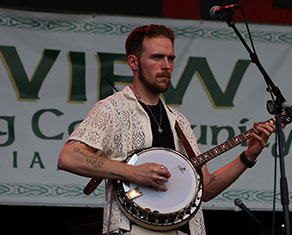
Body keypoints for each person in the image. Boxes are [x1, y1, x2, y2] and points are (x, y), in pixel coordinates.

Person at [58, 24, 275, 235]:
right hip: (133, 229)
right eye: (157, 57)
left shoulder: (178, 120)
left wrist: (248, 156)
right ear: (133, 62)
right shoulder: (112, 109)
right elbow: (68, 157)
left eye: (170, 58)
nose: (166, 65)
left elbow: (205, 188)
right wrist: (133, 172)